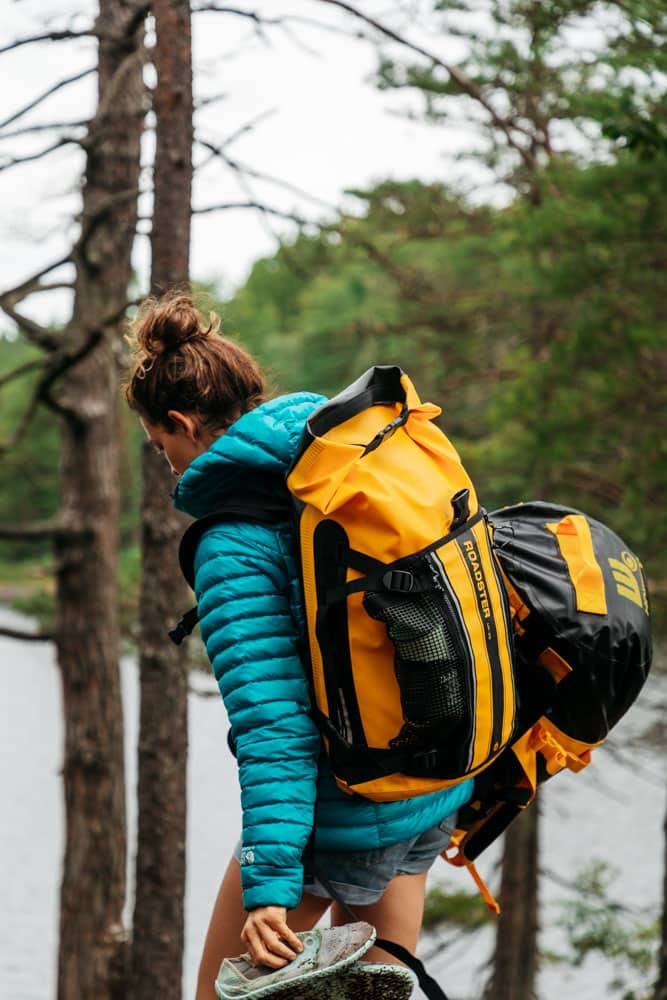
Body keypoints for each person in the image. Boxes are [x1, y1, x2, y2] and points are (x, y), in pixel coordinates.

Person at [124, 291, 474, 1000]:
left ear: (182, 424)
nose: (167, 467)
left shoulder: (233, 542)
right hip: (429, 791)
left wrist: (269, 887)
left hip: (341, 817)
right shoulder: (349, 463)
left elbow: (272, 726)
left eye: (161, 448)